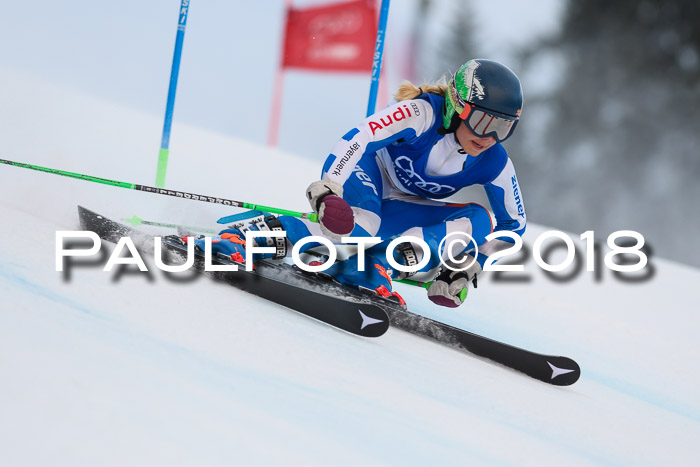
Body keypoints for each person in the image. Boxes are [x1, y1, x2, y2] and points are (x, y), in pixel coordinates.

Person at [200, 59, 526, 308]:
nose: (490, 137)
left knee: (479, 220)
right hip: (369, 172)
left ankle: (371, 266)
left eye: (504, 127)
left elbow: (515, 227)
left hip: (403, 203)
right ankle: (246, 238)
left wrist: (472, 264)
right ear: (458, 106)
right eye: (484, 122)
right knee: (363, 225)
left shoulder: (495, 161)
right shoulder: (420, 114)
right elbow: (361, 138)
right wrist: (329, 188)